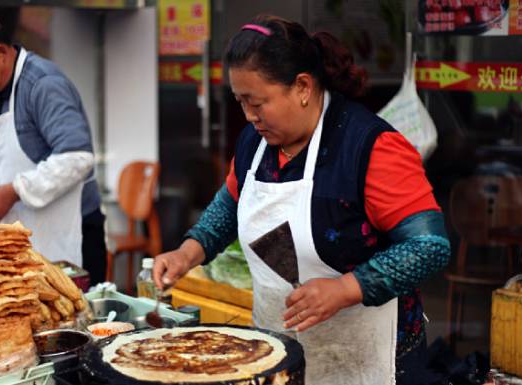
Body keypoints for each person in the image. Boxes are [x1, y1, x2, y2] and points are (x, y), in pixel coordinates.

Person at [152, 15, 451, 385]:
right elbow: (229, 206)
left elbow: (429, 245)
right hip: (276, 351)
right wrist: (188, 251)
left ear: (303, 87)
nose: (248, 116)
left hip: (371, 360)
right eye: (240, 101)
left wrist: (346, 288)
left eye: (257, 102)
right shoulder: (254, 144)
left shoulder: (369, 147)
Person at [0, 9, 107, 284]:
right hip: (31, 235)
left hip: (71, 233)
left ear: (1, 52)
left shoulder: (43, 85)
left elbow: (77, 157)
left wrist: (14, 191)